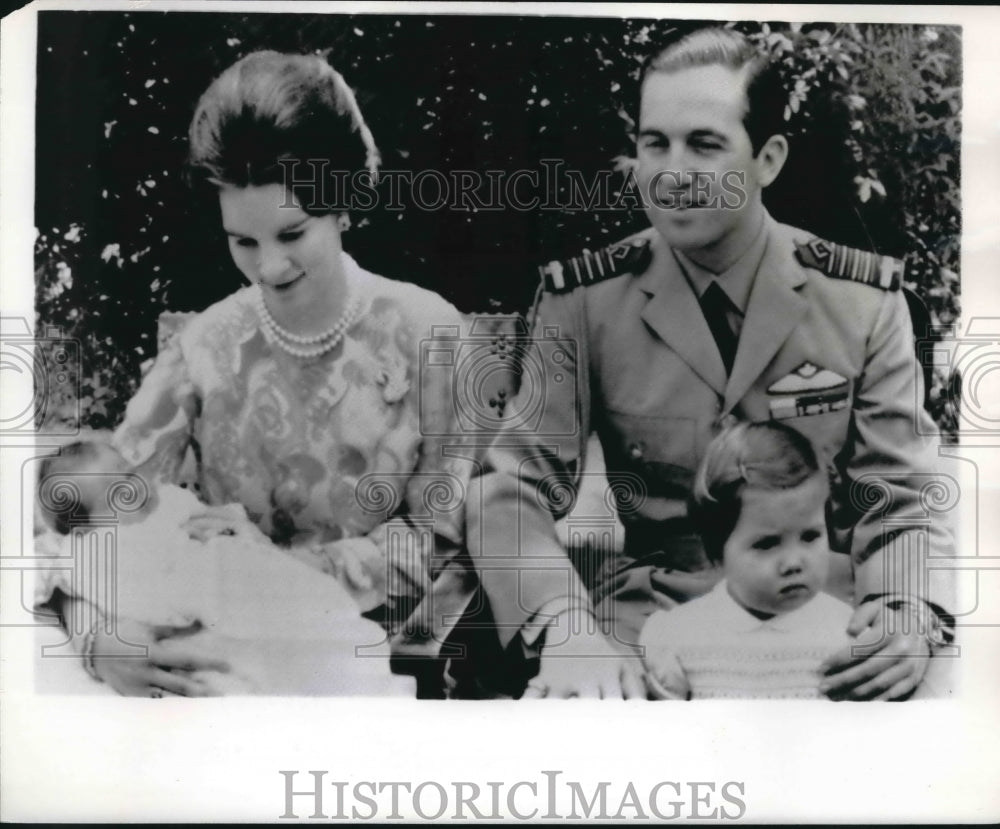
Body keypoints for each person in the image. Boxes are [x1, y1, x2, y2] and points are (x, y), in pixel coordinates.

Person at [468, 27, 955, 700]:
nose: (671, 173)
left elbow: (898, 498)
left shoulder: (860, 302)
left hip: (825, 631)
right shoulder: (585, 300)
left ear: (769, 158)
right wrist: (565, 625)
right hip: (645, 643)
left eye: (704, 144)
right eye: (653, 143)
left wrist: (904, 613)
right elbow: (508, 492)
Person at [42, 50, 479, 697]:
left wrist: (271, 573)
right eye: (242, 242)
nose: (269, 267)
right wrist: (96, 637)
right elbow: (90, 524)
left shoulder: (430, 332)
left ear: (345, 202)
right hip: (216, 663)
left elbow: (442, 543)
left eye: (292, 232)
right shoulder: (205, 344)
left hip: (369, 659)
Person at [36, 440, 411, 696]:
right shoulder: (92, 551)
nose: (134, 489)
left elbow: (223, 523)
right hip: (190, 613)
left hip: (249, 580)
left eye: (130, 473)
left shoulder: (169, 502)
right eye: (115, 493)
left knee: (314, 628)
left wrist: (236, 531)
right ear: (84, 528)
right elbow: (50, 573)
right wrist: (93, 638)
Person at [640, 421, 855, 700]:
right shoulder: (681, 637)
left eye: (810, 536)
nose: (793, 562)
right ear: (718, 550)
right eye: (767, 544)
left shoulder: (843, 632)